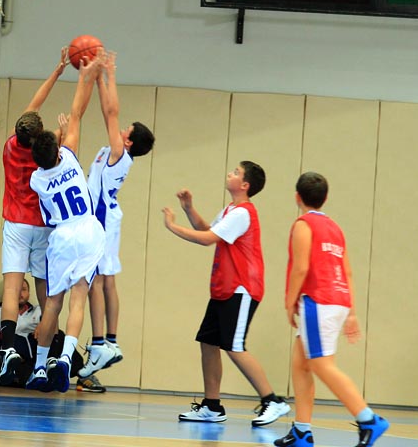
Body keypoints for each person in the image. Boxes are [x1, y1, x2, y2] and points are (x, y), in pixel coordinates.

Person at [162, 161, 290, 426]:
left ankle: (272, 401)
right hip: (224, 288)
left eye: (235, 172)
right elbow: (208, 230)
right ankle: (212, 406)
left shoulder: (243, 213)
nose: (229, 173)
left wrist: (172, 226)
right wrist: (188, 209)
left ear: (245, 185)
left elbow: (207, 240)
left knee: (234, 345)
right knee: (208, 342)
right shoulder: (231, 210)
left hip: (242, 288)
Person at [275, 172, 389, 447]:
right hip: (337, 300)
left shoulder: (303, 225)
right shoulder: (335, 228)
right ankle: (302, 432)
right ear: (325, 199)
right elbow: (347, 270)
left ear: (297, 197)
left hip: (318, 300)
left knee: (321, 365)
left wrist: (289, 302)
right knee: (300, 365)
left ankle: (368, 419)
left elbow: (301, 268)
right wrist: (350, 311)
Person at [26, 53, 105, 393]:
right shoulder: (70, 158)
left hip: (60, 237)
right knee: (79, 299)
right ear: (59, 149)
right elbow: (76, 114)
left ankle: (40, 368)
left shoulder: (37, 180)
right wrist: (86, 75)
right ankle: (66, 357)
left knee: (52, 303)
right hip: (87, 230)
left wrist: (52, 138)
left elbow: (47, 155)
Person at [79, 51, 155, 378]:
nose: (121, 127)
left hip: (101, 220)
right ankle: (110, 340)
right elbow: (109, 112)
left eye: (126, 128)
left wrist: (107, 74)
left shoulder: (118, 152)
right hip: (108, 216)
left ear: (129, 139)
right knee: (108, 280)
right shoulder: (119, 154)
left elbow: (111, 112)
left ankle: (99, 343)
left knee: (96, 281)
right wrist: (98, 79)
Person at [0, 49, 68, 386]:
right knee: (46, 294)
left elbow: (32, 108)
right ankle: (46, 357)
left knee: (12, 286)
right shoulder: (48, 156)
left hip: (15, 224)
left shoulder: (11, 146)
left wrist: (54, 71)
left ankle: (9, 349)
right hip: (43, 226)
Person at [0, 278, 104, 392]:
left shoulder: (37, 311)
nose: (20, 293)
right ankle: (32, 376)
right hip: (18, 358)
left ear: (29, 292)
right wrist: (3, 360)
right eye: (18, 289)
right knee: (13, 344)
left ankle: (81, 374)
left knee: (59, 335)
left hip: (37, 352)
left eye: (24, 289)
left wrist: (43, 326)